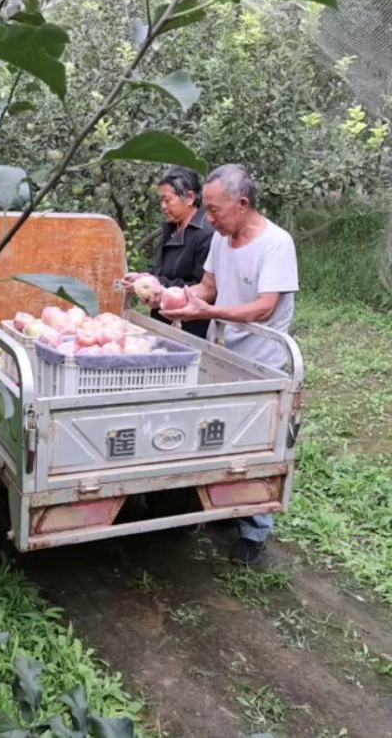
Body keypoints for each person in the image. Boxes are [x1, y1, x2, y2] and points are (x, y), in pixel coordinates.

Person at [160, 164, 298, 566]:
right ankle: (224, 503)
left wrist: (209, 311)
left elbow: (264, 307)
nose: (209, 218)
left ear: (242, 204)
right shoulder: (221, 239)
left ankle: (255, 531)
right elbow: (207, 288)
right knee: (217, 436)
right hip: (222, 352)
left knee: (257, 445)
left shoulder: (276, 244)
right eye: (206, 208)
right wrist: (170, 298)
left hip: (262, 362)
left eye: (215, 209)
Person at [119, 166, 215, 339]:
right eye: (161, 200)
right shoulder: (172, 229)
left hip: (189, 330)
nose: (163, 206)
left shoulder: (206, 235)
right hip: (164, 323)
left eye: (167, 200)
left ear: (189, 198)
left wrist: (159, 285)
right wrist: (143, 279)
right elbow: (162, 270)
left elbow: (203, 287)